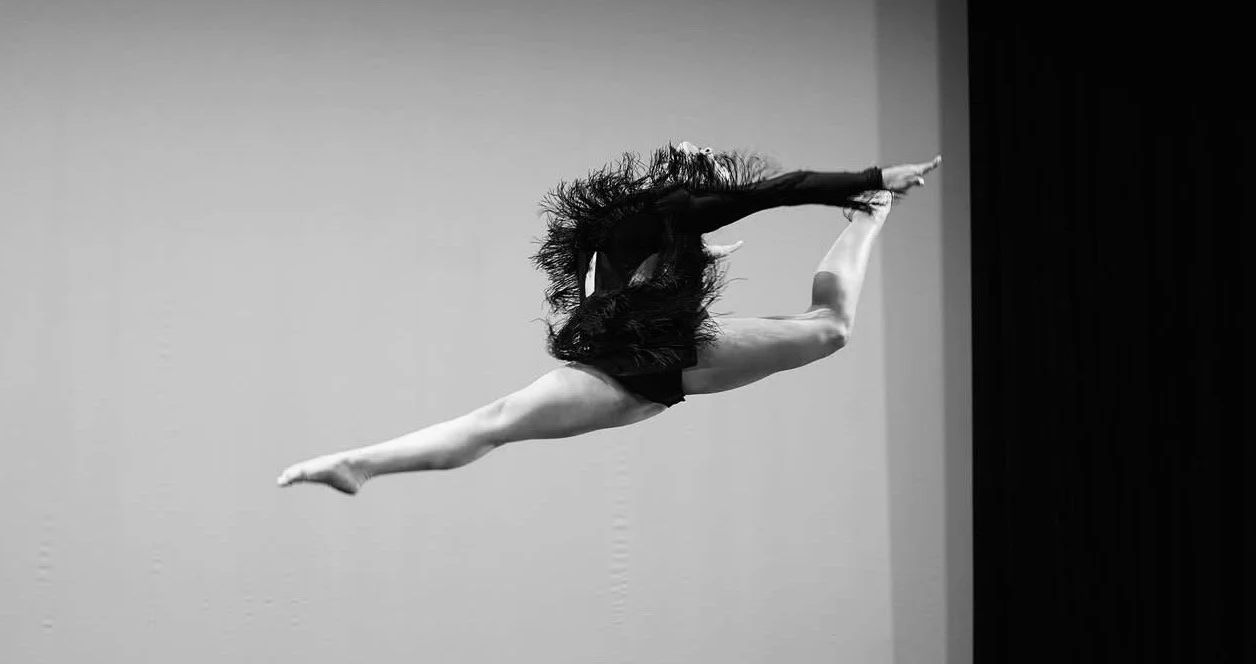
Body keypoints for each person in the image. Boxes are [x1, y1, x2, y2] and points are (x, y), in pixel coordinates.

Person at [276, 142, 941, 494]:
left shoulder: (625, 227)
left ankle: (357, 462)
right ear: (690, 182)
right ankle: (871, 214)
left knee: (489, 426)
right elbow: (780, 190)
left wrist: (691, 254)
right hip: (656, 362)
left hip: (618, 370)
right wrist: (875, 176)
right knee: (829, 325)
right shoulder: (677, 206)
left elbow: (632, 279)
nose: (720, 191)